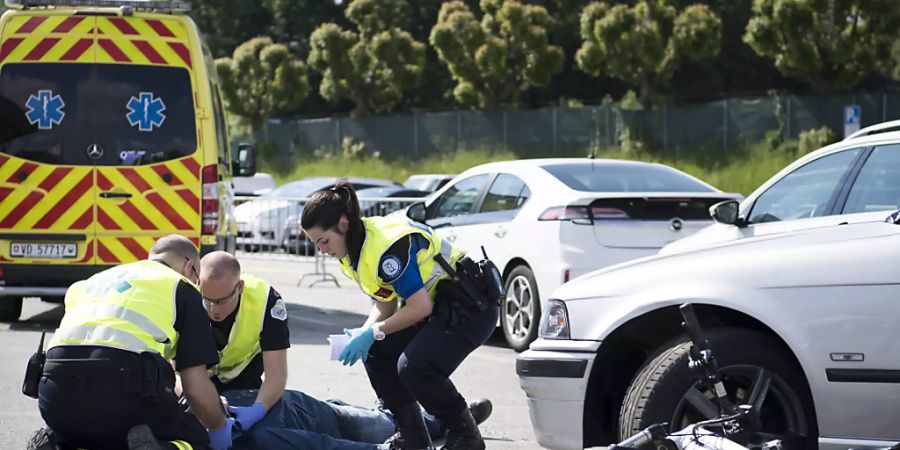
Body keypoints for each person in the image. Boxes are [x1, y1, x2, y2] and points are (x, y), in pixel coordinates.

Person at [196, 251, 492, 450]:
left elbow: (276, 374)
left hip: (278, 404)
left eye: (220, 301)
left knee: (370, 423)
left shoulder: (263, 300)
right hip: (268, 413)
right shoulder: (240, 437)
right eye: (206, 300)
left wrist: (254, 409)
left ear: (240, 288)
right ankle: (449, 419)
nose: (212, 309)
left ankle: (446, 419)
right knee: (360, 427)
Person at [301, 181, 500, 450]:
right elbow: (385, 305)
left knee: (414, 367)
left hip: (470, 308)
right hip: (443, 308)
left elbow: (419, 308)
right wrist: (365, 333)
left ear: (343, 224)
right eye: (316, 244)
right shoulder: (354, 251)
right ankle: (413, 436)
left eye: (323, 241)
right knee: (375, 350)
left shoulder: (385, 249)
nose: (322, 250)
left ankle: (466, 434)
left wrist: (373, 331)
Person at [31, 235, 234, 450]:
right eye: (197, 277)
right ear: (189, 266)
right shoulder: (180, 286)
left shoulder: (94, 281)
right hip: (122, 395)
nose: (196, 283)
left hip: (54, 395)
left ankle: (55, 443)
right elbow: (195, 385)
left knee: (88, 433)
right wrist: (218, 425)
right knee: (194, 440)